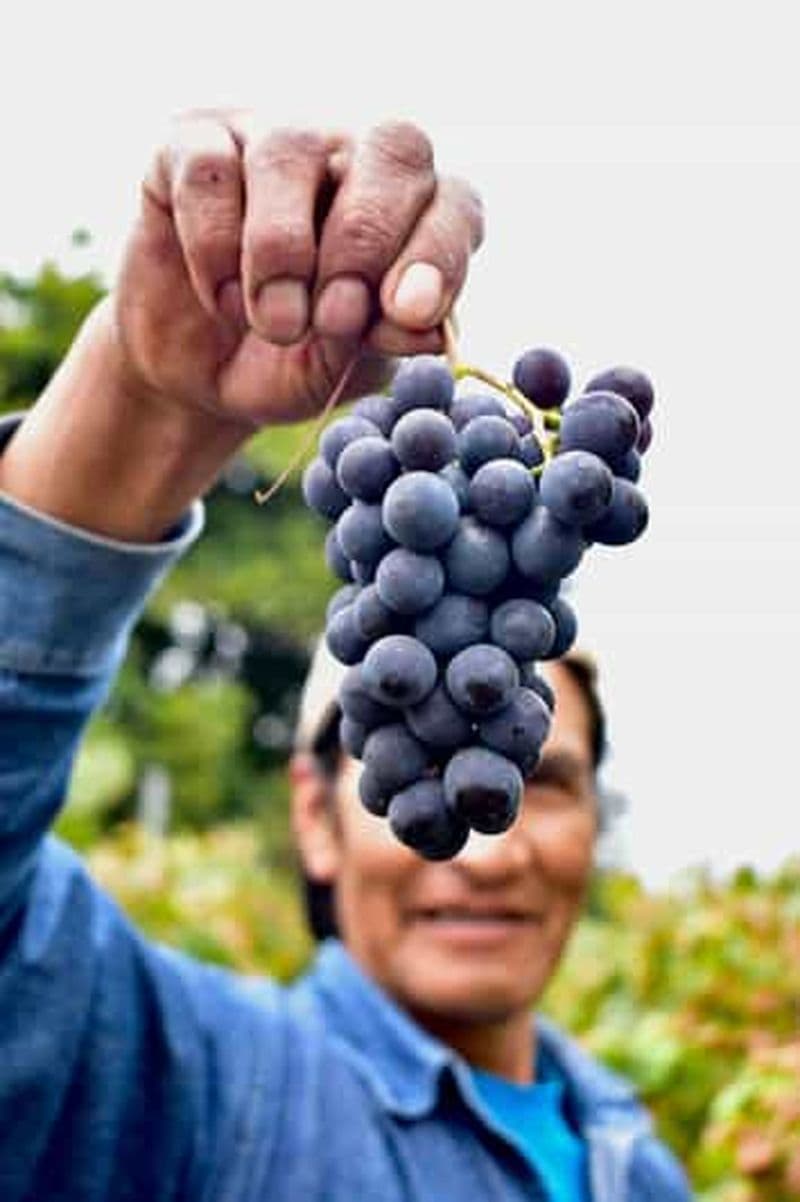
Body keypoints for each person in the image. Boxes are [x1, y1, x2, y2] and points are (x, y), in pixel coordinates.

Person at [0, 111, 691, 1201]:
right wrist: (131, 408)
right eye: (408, 722)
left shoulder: (634, 1160)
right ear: (313, 813)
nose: (479, 850)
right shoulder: (195, 1084)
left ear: (591, 825)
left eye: (542, 778)